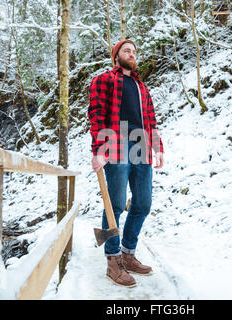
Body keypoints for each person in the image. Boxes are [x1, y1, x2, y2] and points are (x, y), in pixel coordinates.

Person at [88, 39, 164, 288]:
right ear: (116, 56)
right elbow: (97, 114)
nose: (132, 54)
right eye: (126, 51)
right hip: (116, 139)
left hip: (141, 142)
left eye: (134, 51)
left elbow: (151, 119)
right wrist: (99, 149)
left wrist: (158, 147)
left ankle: (128, 253)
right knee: (116, 203)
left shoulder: (142, 86)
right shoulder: (104, 80)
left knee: (143, 203)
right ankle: (112, 261)